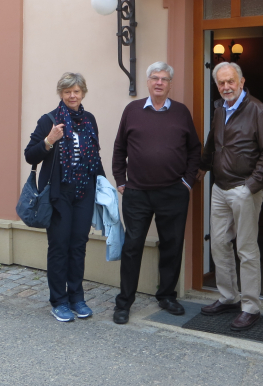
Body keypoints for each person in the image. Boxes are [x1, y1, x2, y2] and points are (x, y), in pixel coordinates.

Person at [112, 62, 201, 324]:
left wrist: (187, 183)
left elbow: (194, 149)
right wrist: (120, 179)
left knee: (172, 245)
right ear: (148, 82)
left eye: (164, 79)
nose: (159, 82)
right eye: (154, 78)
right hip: (137, 193)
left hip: (173, 192)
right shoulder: (132, 110)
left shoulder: (181, 112)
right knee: (132, 247)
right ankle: (124, 302)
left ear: (170, 84)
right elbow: (119, 148)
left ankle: (166, 296)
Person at [196, 62, 263, 331]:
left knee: (246, 249)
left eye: (231, 81)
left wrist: (251, 186)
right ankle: (229, 297)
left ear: (241, 82)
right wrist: (203, 166)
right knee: (218, 243)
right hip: (220, 187)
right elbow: (213, 141)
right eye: (221, 83)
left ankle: (250, 307)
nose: (226, 87)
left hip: (244, 189)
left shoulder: (258, 110)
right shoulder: (220, 108)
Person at [24, 72, 105, 322]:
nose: (72, 96)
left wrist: (103, 186)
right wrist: (49, 141)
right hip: (59, 194)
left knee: (78, 246)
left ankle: (77, 298)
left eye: (77, 91)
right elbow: (30, 155)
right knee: (59, 246)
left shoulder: (89, 120)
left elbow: (95, 156)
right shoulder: (49, 120)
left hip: (84, 192)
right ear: (61, 93)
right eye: (68, 91)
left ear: (83, 93)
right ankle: (59, 301)